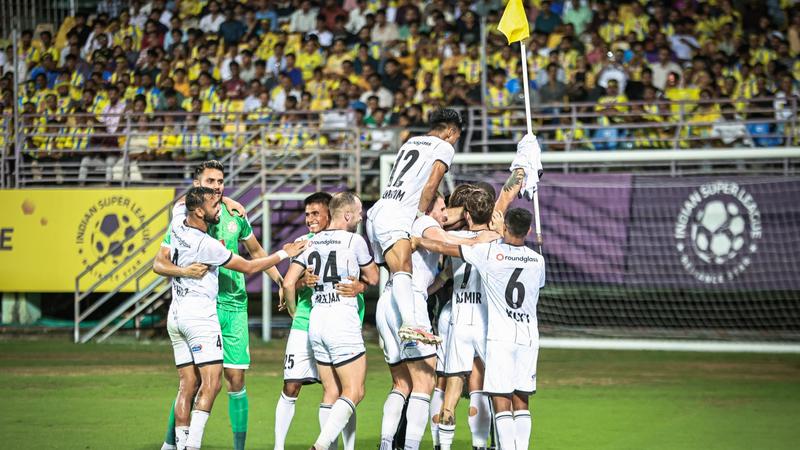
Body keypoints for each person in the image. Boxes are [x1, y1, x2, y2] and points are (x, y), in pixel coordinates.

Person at [162, 186, 306, 450]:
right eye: (215, 206)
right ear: (198, 211)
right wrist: (286, 253)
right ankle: (191, 446)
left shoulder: (177, 222)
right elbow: (250, 266)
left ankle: (178, 445)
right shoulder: (206, 245)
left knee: (187, 385)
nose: (220, 209)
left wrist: (223, 198)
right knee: (212, 384)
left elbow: (181, 203)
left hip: (176, 315)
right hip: (199, 318)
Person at [376, 191, 501, 450]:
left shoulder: (405, 223)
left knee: (402, 384)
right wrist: (489, 234)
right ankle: (413, 446)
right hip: (422, 304)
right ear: (432, 208)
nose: (446, 214)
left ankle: (388, 444)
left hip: (389, 300)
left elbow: (439, 279)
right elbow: (444, 242)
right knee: (428, 383)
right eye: (443, 207)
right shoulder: (428, 225)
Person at [413, 207, 546, 450]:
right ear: (528, 230)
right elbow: (538, 286)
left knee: (501, 398)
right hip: (528, 337)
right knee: (522, 398)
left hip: (500, 338)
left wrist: (418, 240)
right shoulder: (538, 261)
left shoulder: (489, 253)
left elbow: (445, 248)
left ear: (504, 226)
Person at [283, 192, 380, 450]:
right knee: (355, 391)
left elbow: (289, 282)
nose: (361, 216)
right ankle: (322, 444)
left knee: (332, 392)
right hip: (341, 321)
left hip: (316, 320)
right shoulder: (354, 240)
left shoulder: (312, 241)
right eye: (358, 212)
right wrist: (359, 285)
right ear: (347, 215)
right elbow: (374, 276)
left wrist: (294, 312)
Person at [366, 108, 462, 344]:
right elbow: (432, 184)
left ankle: (397, 321)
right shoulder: (444, 147)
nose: (456, 140)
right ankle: (410, 324)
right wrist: (418, 215)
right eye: (457, 135)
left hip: (379, 210)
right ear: (450, 131)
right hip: (398, 214)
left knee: (394, 276)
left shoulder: (410, 142)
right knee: (404, 269)